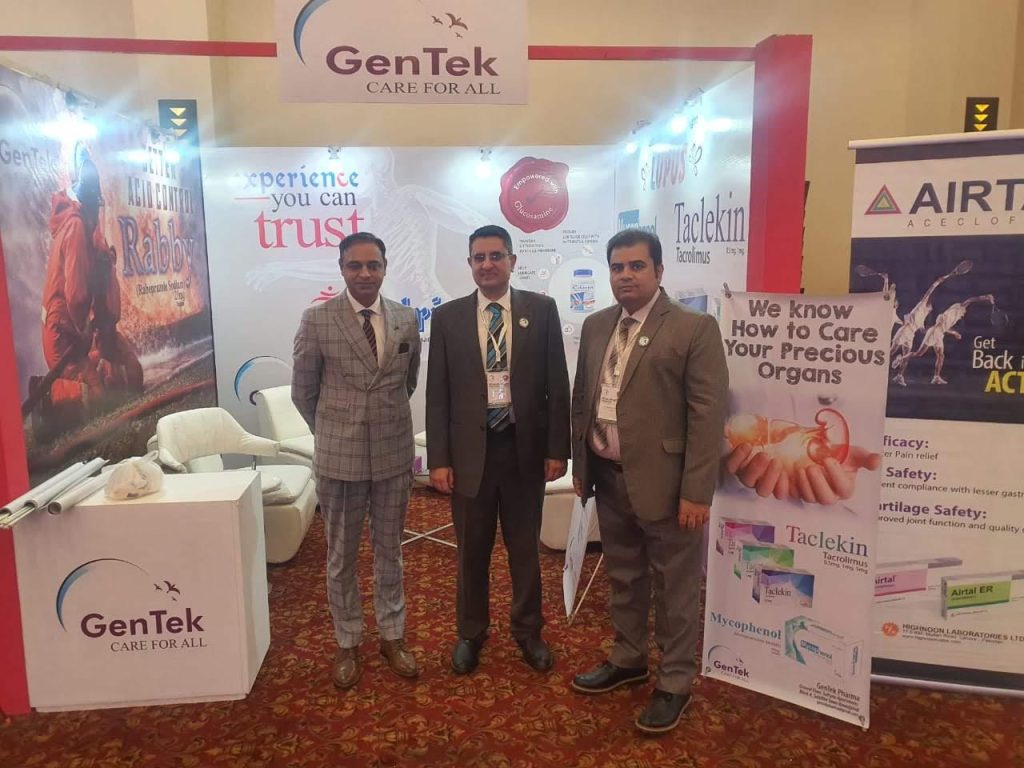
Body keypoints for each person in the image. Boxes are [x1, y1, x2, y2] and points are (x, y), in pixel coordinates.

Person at [569, 229, 728, 735]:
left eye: (636, 266)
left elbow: (707, 417)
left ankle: (675, 681)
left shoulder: (693, 328)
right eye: (617, 267)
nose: (625, 276)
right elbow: (583, 400)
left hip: (668, 487)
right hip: (609, 478)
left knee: (675, 589)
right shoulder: (596, 325)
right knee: (624, 577)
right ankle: (629, 657)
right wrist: (582, 467)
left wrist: (696, 492)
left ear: (659, 271)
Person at [426, 224, 570, 675]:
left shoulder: (541, 310)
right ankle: (471, 632)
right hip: (470, 455)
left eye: (495, 256)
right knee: (472, 550)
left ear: (512, 261)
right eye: (479, 257)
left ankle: (528, 631)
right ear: (470, 264)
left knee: (525, 550)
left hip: (523, 451)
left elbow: (556, 384)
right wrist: (439, 459)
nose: (487, 265)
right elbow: (438, 396)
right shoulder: (448, 318)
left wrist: (557, 449)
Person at [291, 231, 422, 689]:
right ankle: (347, 641)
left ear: (385, 268)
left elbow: (408, 381)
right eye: (355, 266)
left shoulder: (405, 318)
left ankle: (392, 635)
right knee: (341, 556)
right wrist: (334, 430)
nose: (365, 274)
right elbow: (303, 392)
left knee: (390, 552)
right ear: (342, 268)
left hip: (393, 453)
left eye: (373, 265)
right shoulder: (317, 319)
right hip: (339, 457)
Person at [40, 144, 142, 420]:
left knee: (131, 372)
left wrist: (101, 330)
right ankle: (52, 403)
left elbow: (98, 293)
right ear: (90, 203)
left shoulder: (86, 229)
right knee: (96, 393)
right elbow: (77, 296)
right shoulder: (75, 228)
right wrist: (86, 329)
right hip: (63, 334)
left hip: (79, 330)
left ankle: (83, 383)